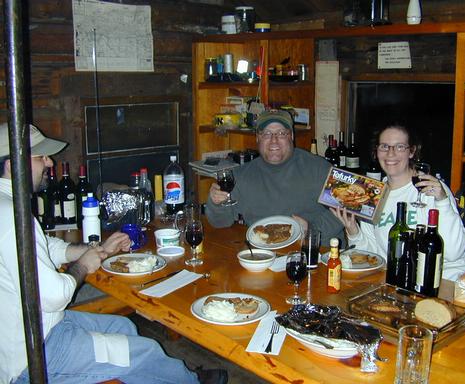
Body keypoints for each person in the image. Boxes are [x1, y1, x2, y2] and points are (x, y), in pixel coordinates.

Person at [0, 122, 227, 384]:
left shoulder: (9, 206)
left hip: (40, 329)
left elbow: (45, 247)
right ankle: (190, 381)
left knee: (125, 327)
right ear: (12, 164)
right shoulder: (12, 217)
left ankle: (171, 376)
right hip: (33, 356)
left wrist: (93, 249)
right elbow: (53, 297)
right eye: (41, 157)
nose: (50, 163)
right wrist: (83, 265)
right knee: (145, 350)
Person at [333, 123, 465, 281]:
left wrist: (442, 201)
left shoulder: (431, 189)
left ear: (412, 151)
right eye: (384, 146)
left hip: (451, 277)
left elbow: (453, 252)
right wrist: (353, 230)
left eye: (400, 147)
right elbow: (374, 258)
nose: (391, 154)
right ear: (376, 151)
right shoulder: (372, 194)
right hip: (405, 281)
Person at [206, 110, 344, 246]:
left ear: (291, 136)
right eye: (267, 134)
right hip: (264, 255)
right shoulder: (241, 175)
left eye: (281, 133)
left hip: (315, 253)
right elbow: (220, 222)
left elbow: (347, 210)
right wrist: (216, 203)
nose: (274, 140)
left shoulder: (319, 168)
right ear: (257, 138)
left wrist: (311, 230)